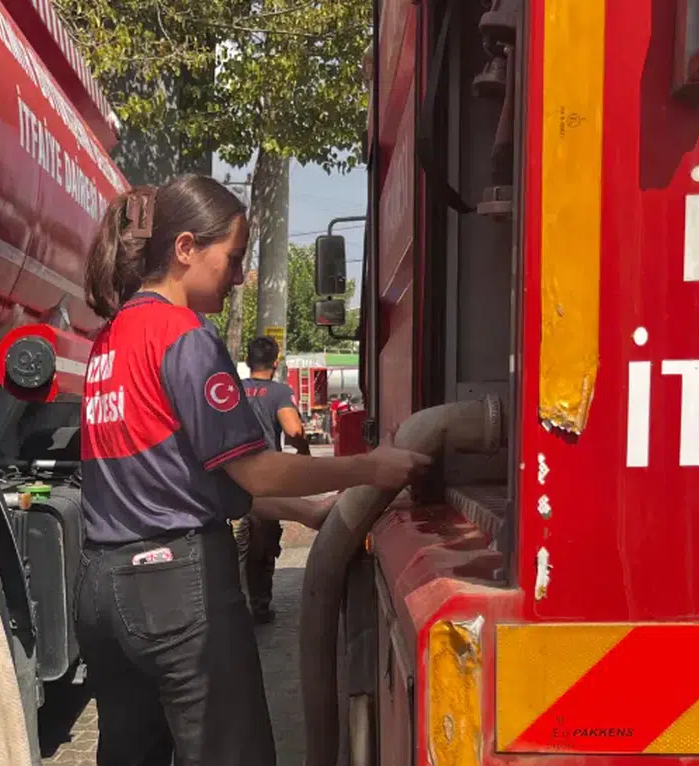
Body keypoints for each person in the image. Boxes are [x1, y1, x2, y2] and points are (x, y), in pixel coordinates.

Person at [74, 174, 433, 766]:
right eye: (233, 258)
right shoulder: (185, 336)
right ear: (185, 247)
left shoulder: (110, 341)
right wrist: (372, 466)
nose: (239, 276)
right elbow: (256, 472)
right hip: (178, 590)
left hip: (103, 593)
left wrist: (310, 511)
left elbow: (192, 482)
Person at [235, 335, 310, 623]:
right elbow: (293, 430)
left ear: (246, 361)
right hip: (264, 480)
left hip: (231, 477)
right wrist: (303, 453)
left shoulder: (234, 390)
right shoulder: (279, 392)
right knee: (262, 543)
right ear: (275, 363)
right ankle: (260, 604)